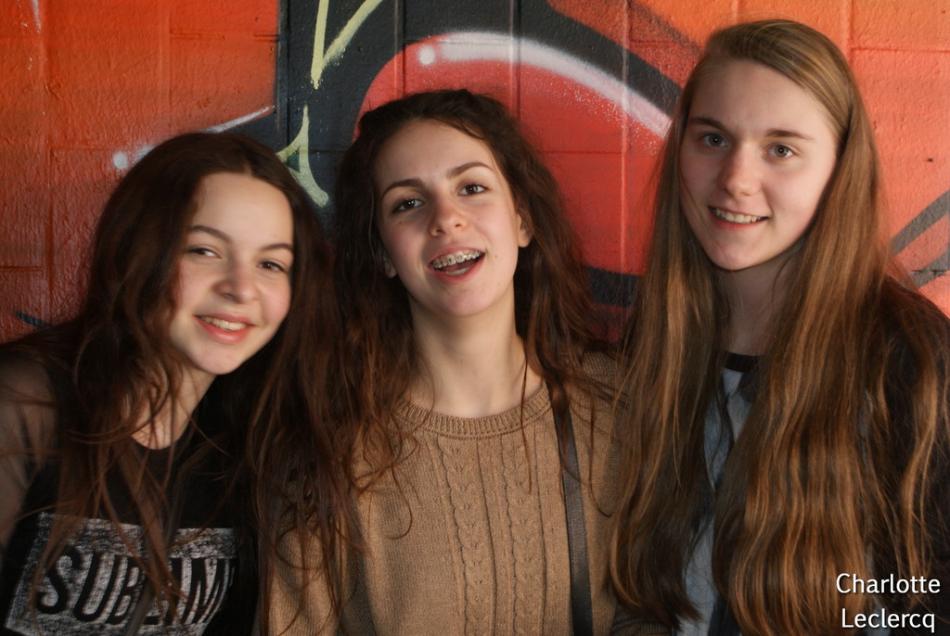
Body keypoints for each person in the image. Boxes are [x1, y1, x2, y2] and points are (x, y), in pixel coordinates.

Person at [610, 19, 949, 635]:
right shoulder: (655, 341)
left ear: (839, 169)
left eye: (781, 149)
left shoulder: (910, 359)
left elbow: (933, 596)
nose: (736, 179)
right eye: (713, 138)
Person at [270, 89, 649, 635]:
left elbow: (654, 612)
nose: (446, 219)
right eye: (408, 203)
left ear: (522, 220)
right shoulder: (328, 445)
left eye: (472, 188)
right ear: (382, 254)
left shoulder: (618, 408)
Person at [0, 132, 341, 634]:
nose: (240, 288)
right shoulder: (26, 400)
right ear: (139, 251)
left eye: (270, 264)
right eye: (204, 250)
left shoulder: (248, 444)